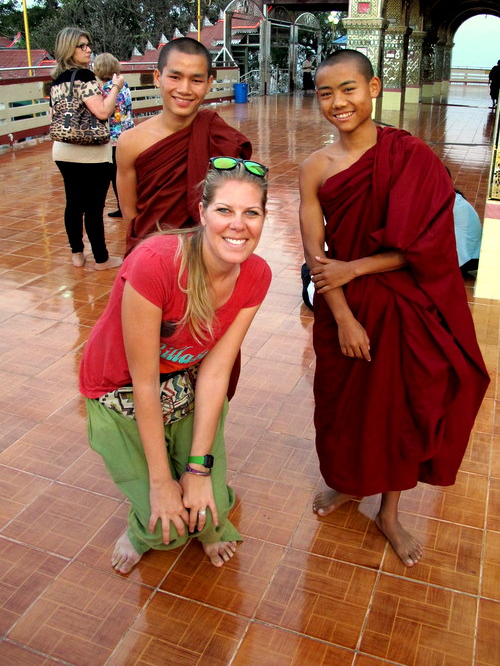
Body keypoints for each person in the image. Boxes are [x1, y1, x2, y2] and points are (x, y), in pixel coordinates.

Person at [299, 49, 489, 567]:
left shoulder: (411, 157)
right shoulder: (316, 167)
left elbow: (429, 246)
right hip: (344, 306)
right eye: (325, 92)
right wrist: (340, 315)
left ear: (375, 88)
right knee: (341, 405)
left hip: (402, 306)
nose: (338, 102)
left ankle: (389, 510)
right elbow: (316, 254)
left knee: (397, 409)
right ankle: (345, 484)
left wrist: (356, 268)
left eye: (349, 89)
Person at [80, 158, 271, 574]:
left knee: (208, 507)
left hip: (184, 378)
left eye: (250, 213)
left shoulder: (257, 274)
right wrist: (161, 481)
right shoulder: (156, 263)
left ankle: (207, 495)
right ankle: (138, 531)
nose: (238, 225)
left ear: (263, 218)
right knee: (163, 524)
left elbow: (215, 371)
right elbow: (143, 383)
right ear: (202, 213)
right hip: (121, 387)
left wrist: (199, 469)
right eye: (224, 210)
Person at [117, 37, 252, 257]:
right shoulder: (130, 142)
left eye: (196, 80)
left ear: (209, 83)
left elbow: (233, 205)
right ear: (157, 77)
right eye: (175, 77)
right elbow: (131, 215)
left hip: (206, 255)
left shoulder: (219, 136)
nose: (185, 89)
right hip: (151, 254)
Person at [50, 27, 124, 270]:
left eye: (88, 45)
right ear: (68, 48)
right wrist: (116, 88)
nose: (88, 49)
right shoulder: (84, 76)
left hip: (63, 150)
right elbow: (103, 111)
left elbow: (54, 114)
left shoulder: (56, 81)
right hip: (91, 153)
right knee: (93, 207)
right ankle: (101, 258)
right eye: (81, 46)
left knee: (73, 204)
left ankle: (77, 254)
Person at [93, 52, 135, 219]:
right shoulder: (123, 85)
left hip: (114, 137)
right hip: (129, 132)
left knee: (116, 175)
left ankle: (123, 206)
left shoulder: (106, 89)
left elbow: (103, 112)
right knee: (127, 171)